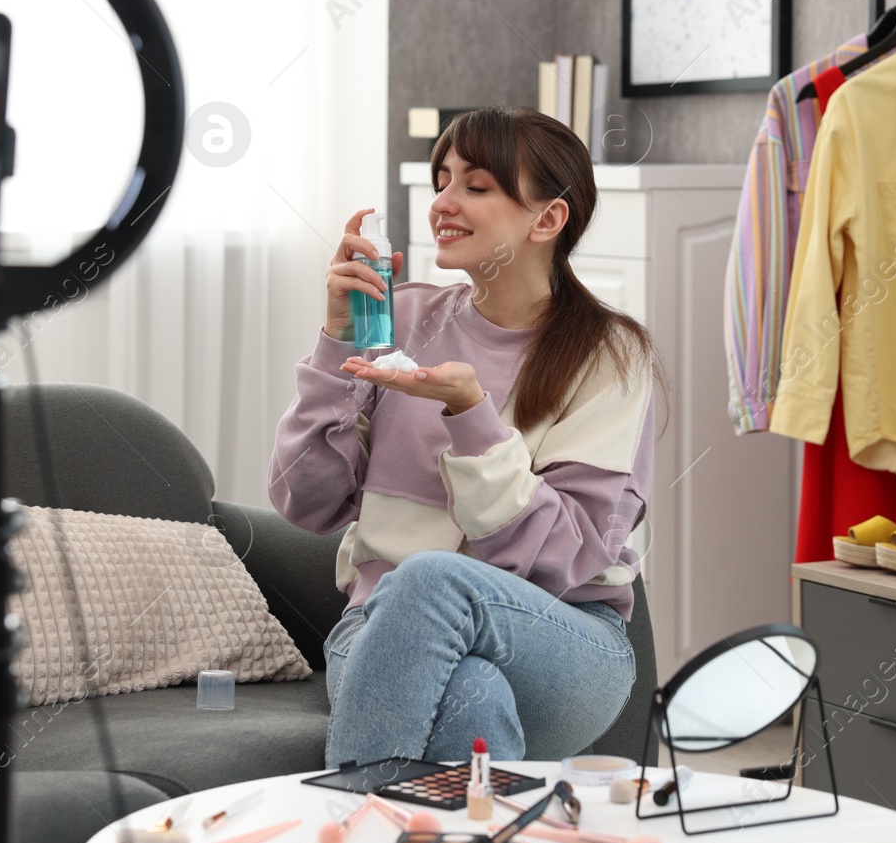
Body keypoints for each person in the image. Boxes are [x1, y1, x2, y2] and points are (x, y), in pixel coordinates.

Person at [268, 107, 668, 767]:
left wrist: (471, 415)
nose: (443, 203)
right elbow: (302, 500)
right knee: (471, 694)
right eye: (442, 180)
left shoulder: (609, 355)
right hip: (377, 633)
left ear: (547, 219)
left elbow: (566, 560)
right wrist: (335, 339)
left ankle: (345, 830)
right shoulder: (395, 320)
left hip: (562, 641)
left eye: (476, 186)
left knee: (430, 578)